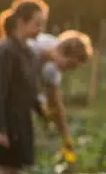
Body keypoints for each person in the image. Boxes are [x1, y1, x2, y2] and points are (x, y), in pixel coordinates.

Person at [0, 0, 48, 174]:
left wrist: (42, 112)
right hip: (7, 122)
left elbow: (30, 89)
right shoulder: (6, 51)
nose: (40, 29)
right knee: (5, 172)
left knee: (15, 172)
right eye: (37, 24)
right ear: (21, 22)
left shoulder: (28, 52)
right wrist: (0, 129)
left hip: (20, 121)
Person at [28, 29, 94, 159]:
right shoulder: (34, 45)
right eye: (70, 64)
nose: (68, 70)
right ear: (61, 51)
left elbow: (55, 103)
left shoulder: (52, 69)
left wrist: (65, 137)